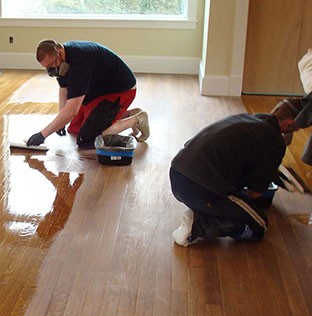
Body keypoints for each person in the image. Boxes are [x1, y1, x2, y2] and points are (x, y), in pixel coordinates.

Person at [169, 97, 307, 247]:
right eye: (298, 127)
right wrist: (264, 179)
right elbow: (255, 194)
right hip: (200, 188)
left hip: (177, 173)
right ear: (290, 123)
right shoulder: (274, 143)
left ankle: (205, 210)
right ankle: (198, 226)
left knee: (233, 196)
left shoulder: (245, 118)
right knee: (258, 226)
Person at [26, 40, 149, 149]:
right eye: (47, 67)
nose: (51, 70)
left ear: (59, 52)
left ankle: (137, 120)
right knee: (75, 128)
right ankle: (128, 114)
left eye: (52, 64)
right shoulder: (63, 61)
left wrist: (42, 135)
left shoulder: (80, 64)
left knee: (87, 139)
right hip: (98, 91)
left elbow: (71, 111)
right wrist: (60, 121)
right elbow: (64, 89)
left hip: (120, 91)